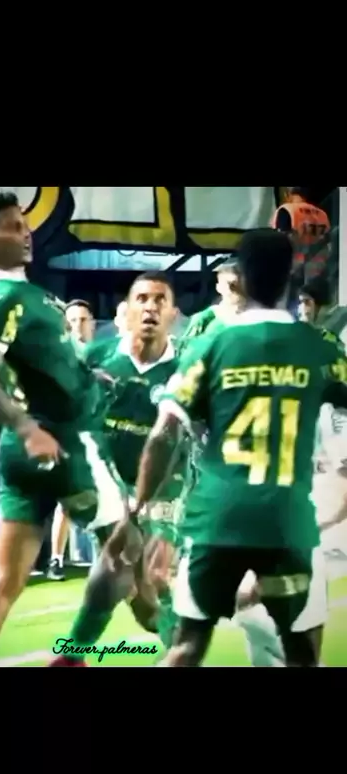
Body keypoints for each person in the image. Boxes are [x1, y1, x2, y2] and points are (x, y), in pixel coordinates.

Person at [123, 228, 347, 667]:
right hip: (287, 520)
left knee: (186, 646)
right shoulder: (319, 347)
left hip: (218, 519)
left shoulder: (210, 344)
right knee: (302, 654)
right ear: (291, 277)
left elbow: (165, 433)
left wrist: (139, 506)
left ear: (240, 277)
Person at [0, 188, 128, 667]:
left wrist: (85, 378)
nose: (26, 232)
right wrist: (27, 426)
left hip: (26, 451)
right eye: (12, 226)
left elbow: (35, 364)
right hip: (61, 445)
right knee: (128, 553)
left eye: (25, 222)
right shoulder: (6, 296)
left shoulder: (16, 292)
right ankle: (79, 653)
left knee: (5, 580)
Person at [50, 271, 184, 665]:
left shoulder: (187, 366)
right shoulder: (97, 358)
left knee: (153, 578)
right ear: (126, 311)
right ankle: (178, 647)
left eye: (160, 300)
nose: (151, 308)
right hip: (109, 484)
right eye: (142, 299)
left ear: (173, 314)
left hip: (166, 483)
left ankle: (76, 654)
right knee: (134, 584)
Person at [48, 299, 96, 581]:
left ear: (92, 323)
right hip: (71, 436)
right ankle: (56, 559)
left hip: (102, 436)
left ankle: (106, 559)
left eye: (83, 319)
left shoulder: (104, 353)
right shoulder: (59, 356)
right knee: (66, 501)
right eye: (73, 320)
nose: (78, 325)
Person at [272, 187, 330, 279]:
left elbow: (280, 241)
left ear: (288, 195)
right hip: (318, 265)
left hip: (295, 267)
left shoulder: (286, 211)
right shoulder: (322, 214)